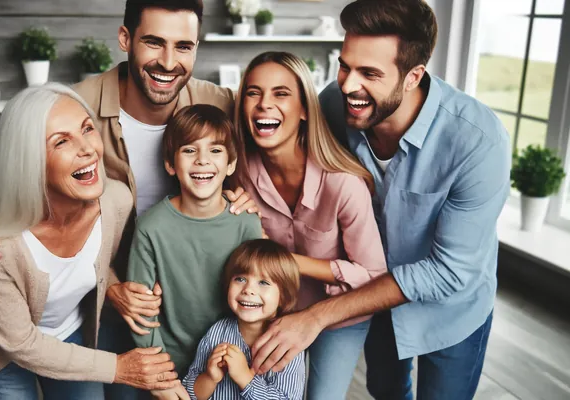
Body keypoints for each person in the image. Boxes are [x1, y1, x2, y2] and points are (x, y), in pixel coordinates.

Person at [0, 1, 256, 397]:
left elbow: (282, 130)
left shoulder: (218, 104)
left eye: (184, 46)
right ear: (125, 39)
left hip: (137, 287)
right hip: (92, 297)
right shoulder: (73, 107)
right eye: (154, 42)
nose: (169, 62)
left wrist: (245, 196)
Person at [250, 2, 511, 400]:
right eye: (345, 66)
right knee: (386, 391)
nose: (349, 85)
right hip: (371, 297)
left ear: (413, 77)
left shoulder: (477, 141)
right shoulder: (333, 108)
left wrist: (316, 316)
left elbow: (449, 272)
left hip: (452, 310)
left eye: (370, 73)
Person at [0, 83, 179, 399]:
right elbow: (21, 344)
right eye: (61, 142)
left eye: (87, 129)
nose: (87, 148)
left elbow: (105, 264)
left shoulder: (116, 201)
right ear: (29, 161)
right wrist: (118, 368)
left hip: (70, 333)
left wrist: (115, 287)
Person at [232, 51, 387, 399]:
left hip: (337, 318)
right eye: (253, 93)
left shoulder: (344, 183)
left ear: (304, 109)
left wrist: (284, 260)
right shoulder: (237, 169)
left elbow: (374, 276)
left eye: (280, 93)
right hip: (268, 309)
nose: (263, 105)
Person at [127, 104, 263, 399]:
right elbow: (142, 315)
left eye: (215, 151)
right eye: (189, 150)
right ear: (170, 164)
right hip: (170, 368)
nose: (202, 161)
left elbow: (262, 298)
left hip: (232, 364)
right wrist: (161, 378)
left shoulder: (246, 222)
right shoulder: (151, 227)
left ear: (230, 164)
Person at [182, 239, 306, 400]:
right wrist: (209, 377)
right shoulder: (218, 332)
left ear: (283, 297)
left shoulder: (288, 343)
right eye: (240, 279)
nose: (248, 290)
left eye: (263, 282)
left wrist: (245, 378)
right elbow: (187, 394)